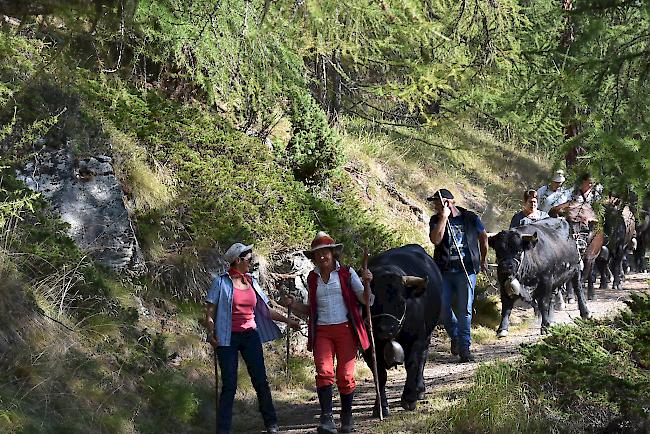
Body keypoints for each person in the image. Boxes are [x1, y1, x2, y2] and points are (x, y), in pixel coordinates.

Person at [205, 242, 300, 434]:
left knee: (260, 381)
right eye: (248, 259)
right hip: (227, 337)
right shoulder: (221, 282)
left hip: (250, 335)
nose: (251, 262)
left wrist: (288, 320)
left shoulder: (252, 282)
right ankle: (223, 430)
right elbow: (209, 312)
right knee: (230, 385)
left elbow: (265, 310)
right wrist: (210, 333)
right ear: (238, 260)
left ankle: (271, 424)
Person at [284, 231, 373, 434]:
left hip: (346, 330)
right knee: (324, 372)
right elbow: (311, 309)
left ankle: (347, 417)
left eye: (326, 252)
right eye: (318, 253)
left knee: (345, 375)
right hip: (322, 331)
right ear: (314, 257)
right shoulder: (312, 278)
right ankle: (326, 418)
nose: (322, 256)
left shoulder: (347, 273)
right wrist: (293, 304)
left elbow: (365, 300)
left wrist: (368, 281)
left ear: (333, 253)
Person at [428, 189, 488, 363]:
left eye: (438, 201)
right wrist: (444, 217)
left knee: (465, 310)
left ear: (448, 202)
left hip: (466, 270)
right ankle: (455, 336)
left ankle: (464, 348)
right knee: (443, 308)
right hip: (444, 271)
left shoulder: (470, 217)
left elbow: (483, 236)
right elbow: (435, 240)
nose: (435, 205)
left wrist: (482, 259)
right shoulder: (436, 220)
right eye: (435, 202)